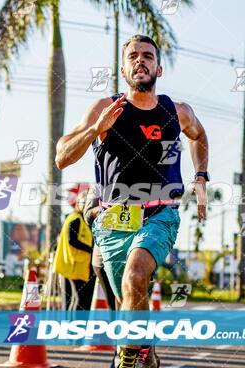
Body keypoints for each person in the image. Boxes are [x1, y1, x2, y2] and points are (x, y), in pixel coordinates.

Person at [55, 34, 209, 368]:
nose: (141, 60)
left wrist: (200, 178)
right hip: (113, 221)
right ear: (124, 69)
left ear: (159, 68)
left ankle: (124, 361)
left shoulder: (175, 111)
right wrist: (96, 128)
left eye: (148, 56)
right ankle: (147, 354)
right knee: (130, 296)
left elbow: (199, 136)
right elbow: (62, 157)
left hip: (159, 215)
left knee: (135, 277)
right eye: (134, 56)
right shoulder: (105, 108)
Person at [53, 191, 95, 311]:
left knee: (79, 300)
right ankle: (75, 326)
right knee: (80, 301)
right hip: (75, 266)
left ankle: (74, 326)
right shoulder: (75, 219)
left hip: (80, 266)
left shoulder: (82, 220)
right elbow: (72, 241)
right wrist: (91, 250)